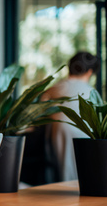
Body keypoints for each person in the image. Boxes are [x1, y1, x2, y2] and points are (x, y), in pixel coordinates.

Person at [41, 52, 101, 182]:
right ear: (90, 72)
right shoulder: (91, 91)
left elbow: (40, 106)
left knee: (64, 169)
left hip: (58, 130)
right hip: (84, 132)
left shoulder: (56, 86)